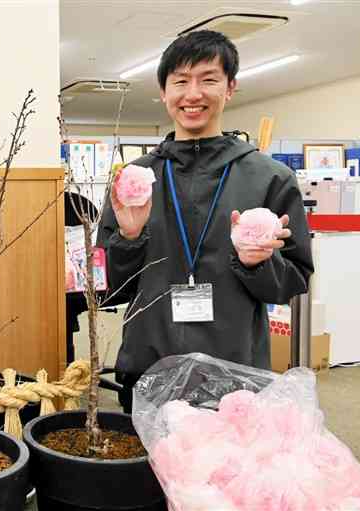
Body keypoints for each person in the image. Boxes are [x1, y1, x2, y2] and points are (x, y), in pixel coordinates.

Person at [98, 30, 314, 413]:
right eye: (180, 81)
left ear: (230, 88)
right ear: (163, 92)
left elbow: (292, 282)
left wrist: (257, 263)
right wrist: (129, 238)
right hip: (150, 366)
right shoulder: (135, 181)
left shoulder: (269, 178)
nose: (193, 94)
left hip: (236, 373)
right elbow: (109, 288)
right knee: (146, 474)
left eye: (208, 80)